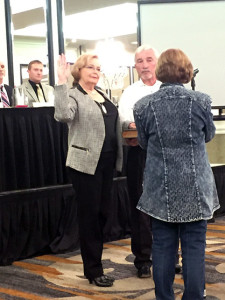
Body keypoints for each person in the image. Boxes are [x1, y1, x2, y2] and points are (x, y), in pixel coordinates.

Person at [133, 48, 220, 299]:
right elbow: (209, 135)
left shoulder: (142, 106)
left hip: (160, 190)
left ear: (160, 71)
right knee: (194, 247)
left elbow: (143, 142)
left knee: (162, 247)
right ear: (186, 71)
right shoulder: (201, 101)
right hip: (195, 187)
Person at [54, 53, 123, 287]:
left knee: (103, 214)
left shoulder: (102, 94)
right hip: (85, 164)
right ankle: (93, 270)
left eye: (98, 68)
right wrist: (61, 82)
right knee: (90, 217)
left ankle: (95, 261)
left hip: (107, 163)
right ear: (79, 71)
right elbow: (62, 115)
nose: (95, 71)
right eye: (90, 67)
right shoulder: (73, 95)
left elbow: (112, 122)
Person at [118, 45, 161, 278]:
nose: (144, 65)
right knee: (141, 209)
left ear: (157, 62)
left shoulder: (168, 88)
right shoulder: (129, 92)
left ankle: (168, 256)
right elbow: (126, 121)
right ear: (135, 66)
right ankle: (143, 259)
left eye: (149, 60)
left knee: (167, 207)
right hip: (139, 154)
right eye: (140, 61)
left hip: (166, 155)